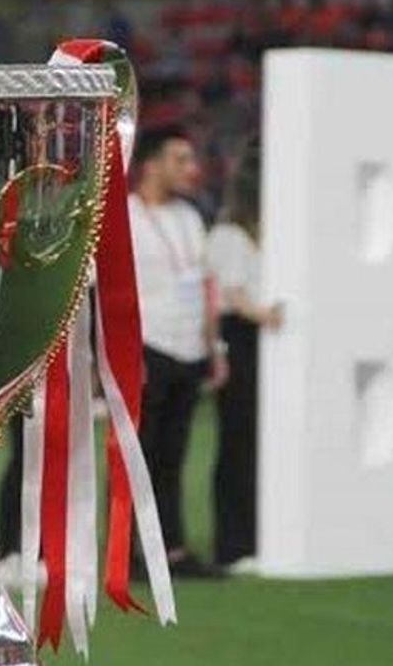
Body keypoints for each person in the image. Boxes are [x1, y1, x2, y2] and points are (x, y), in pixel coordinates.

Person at [128, 126, 228, 579]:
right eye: (181, 160)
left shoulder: (190, 215)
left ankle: (171, 548)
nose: (192, 169)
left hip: (188, 347)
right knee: (139, 456)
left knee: (173, 455)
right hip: (146, 347)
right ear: (152, 165)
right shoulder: (125, 217)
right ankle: (130, 552)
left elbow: (205, 283)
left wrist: (214, 347)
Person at [206, 138, 282, 575]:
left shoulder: (268, 235)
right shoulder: (229, 235)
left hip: (263, 334)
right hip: (241, 334)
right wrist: (264, 314)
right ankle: (232, 542)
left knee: (260, 439)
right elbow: (231, 293)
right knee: (238, 439)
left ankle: (258, 531)